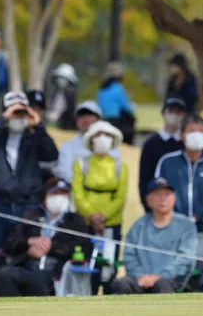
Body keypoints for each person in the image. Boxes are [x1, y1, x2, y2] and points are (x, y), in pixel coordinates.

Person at [0, 91, 59, 251]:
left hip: (28, 206)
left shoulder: (33, 138)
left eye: (22, 112)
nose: (18, 116)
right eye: (14, 112)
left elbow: (52, 154)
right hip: (0, 204)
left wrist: (37, 125)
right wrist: (3, 118)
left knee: (24, 251)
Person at [0, 178, 89, 297]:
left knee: (37, 279)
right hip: (26, 266)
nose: (59, 198)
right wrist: (29, 242)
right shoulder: (30, 216)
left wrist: (51, 247)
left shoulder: (75, 221)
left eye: (63, 194)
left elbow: (81, 247)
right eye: (54, 194)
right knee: (5, 274)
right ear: (44, 198)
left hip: (55, 272)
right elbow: (10, 243)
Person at [154, 114, 203, 258]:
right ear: (182, 135)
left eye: (201, 131)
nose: (197, 135)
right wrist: (175, 218)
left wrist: (198, 216)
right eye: (191, 131)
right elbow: (158, 193)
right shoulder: (167, 162)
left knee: (201, 269)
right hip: (172, 229)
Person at [114, 178, 197, 294]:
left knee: (162, 284)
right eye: (158, 195)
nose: (163, 199)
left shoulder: (186, 225)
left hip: (172, 279)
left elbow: (185, 258)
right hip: (140, 280)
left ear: (174, 198)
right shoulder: (138, 225)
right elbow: (129, 255)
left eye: (167, 194)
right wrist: (140, 275)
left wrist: (160, 276)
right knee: (121, 284)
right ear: (148, 200)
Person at [72, 121, 128, 293]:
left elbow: (120, 197)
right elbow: (78, 195)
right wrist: (92, 216)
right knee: (87, 266)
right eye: (98, 135)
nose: (102, 139)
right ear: (91, 141)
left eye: (107, 135)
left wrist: (103, 217)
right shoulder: (81, 164)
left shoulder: (120, 166)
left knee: (108, 268)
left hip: (111, 225)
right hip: (86, 225)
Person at [54, 101, 120, 184]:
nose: (85, 119)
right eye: (81, 116)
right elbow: (63, 172)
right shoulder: (68, 146)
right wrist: (84, 185)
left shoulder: (109, 143)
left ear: (100, 119)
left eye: (89, 115)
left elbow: (114, 171)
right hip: (74, 188)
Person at [138, 98, 185, 211]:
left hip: (182, 205)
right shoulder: (151, 144)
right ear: (163, 113)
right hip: (158, 205)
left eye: (178, 112)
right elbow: (144, 178)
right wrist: (148, 207)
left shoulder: (186, 143)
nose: (174, 115)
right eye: (171, 111)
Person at [97, 61, 135, 145]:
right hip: (117, 121)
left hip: (104, 119)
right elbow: (126, 106)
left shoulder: (101, 89)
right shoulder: (118, 88)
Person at [27, 90, 55, 183]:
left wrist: (38, 126)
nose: (34, 113)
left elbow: (52, 156)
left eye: (38, 110)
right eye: (31, 108)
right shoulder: (13, 132)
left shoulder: (41, 134)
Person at [46, 63, 78, 131]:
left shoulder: (70, 94)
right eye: (60, 78)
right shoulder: (56, 92)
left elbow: (70, 112)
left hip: (64, 126)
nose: (61, 80)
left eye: (64, 79)